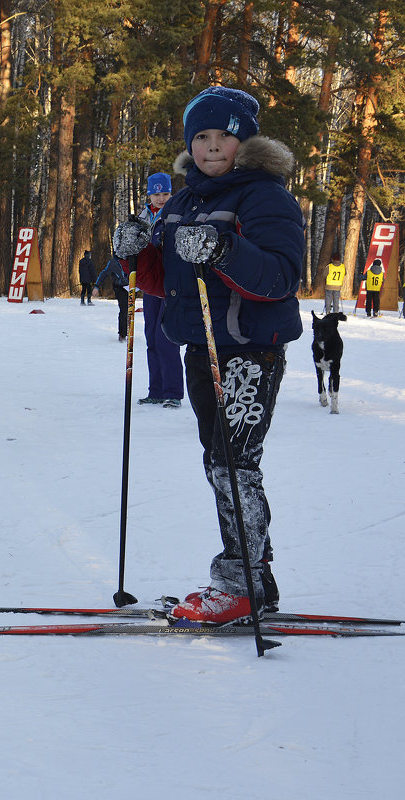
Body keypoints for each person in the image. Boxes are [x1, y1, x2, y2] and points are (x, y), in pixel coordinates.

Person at [113, 86, 303, 624]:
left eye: (224, 135)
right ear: (189, 143)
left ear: (245, 140)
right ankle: (252, 580)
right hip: (202, 348)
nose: (212, 146)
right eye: (201, 136)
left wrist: (224, 248)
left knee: (234, 464)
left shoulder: (266, 197)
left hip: (248, 351)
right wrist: (135, 255)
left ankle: (244, 583)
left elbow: (281, 278)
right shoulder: (183, 200)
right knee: (218, 462)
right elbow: (167, 280)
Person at [135, 172, 184, 409]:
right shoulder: (143, 217)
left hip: (169, 284)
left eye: (165, 193)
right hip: (149, 285)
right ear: (149, 194)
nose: (162, 198)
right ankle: (155, 390)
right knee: (151, 338)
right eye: (157, 194)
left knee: (166, 338)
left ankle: (172, 391)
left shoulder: (175, 214)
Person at [94, 255, 128, 340]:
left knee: (130, 308)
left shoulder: (131, 258)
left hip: (131, 286)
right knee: (124, 309)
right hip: (119, 287)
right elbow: (104, 274)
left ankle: (129, 330)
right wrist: (96, 286)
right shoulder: (113, 262)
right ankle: (122, 333)